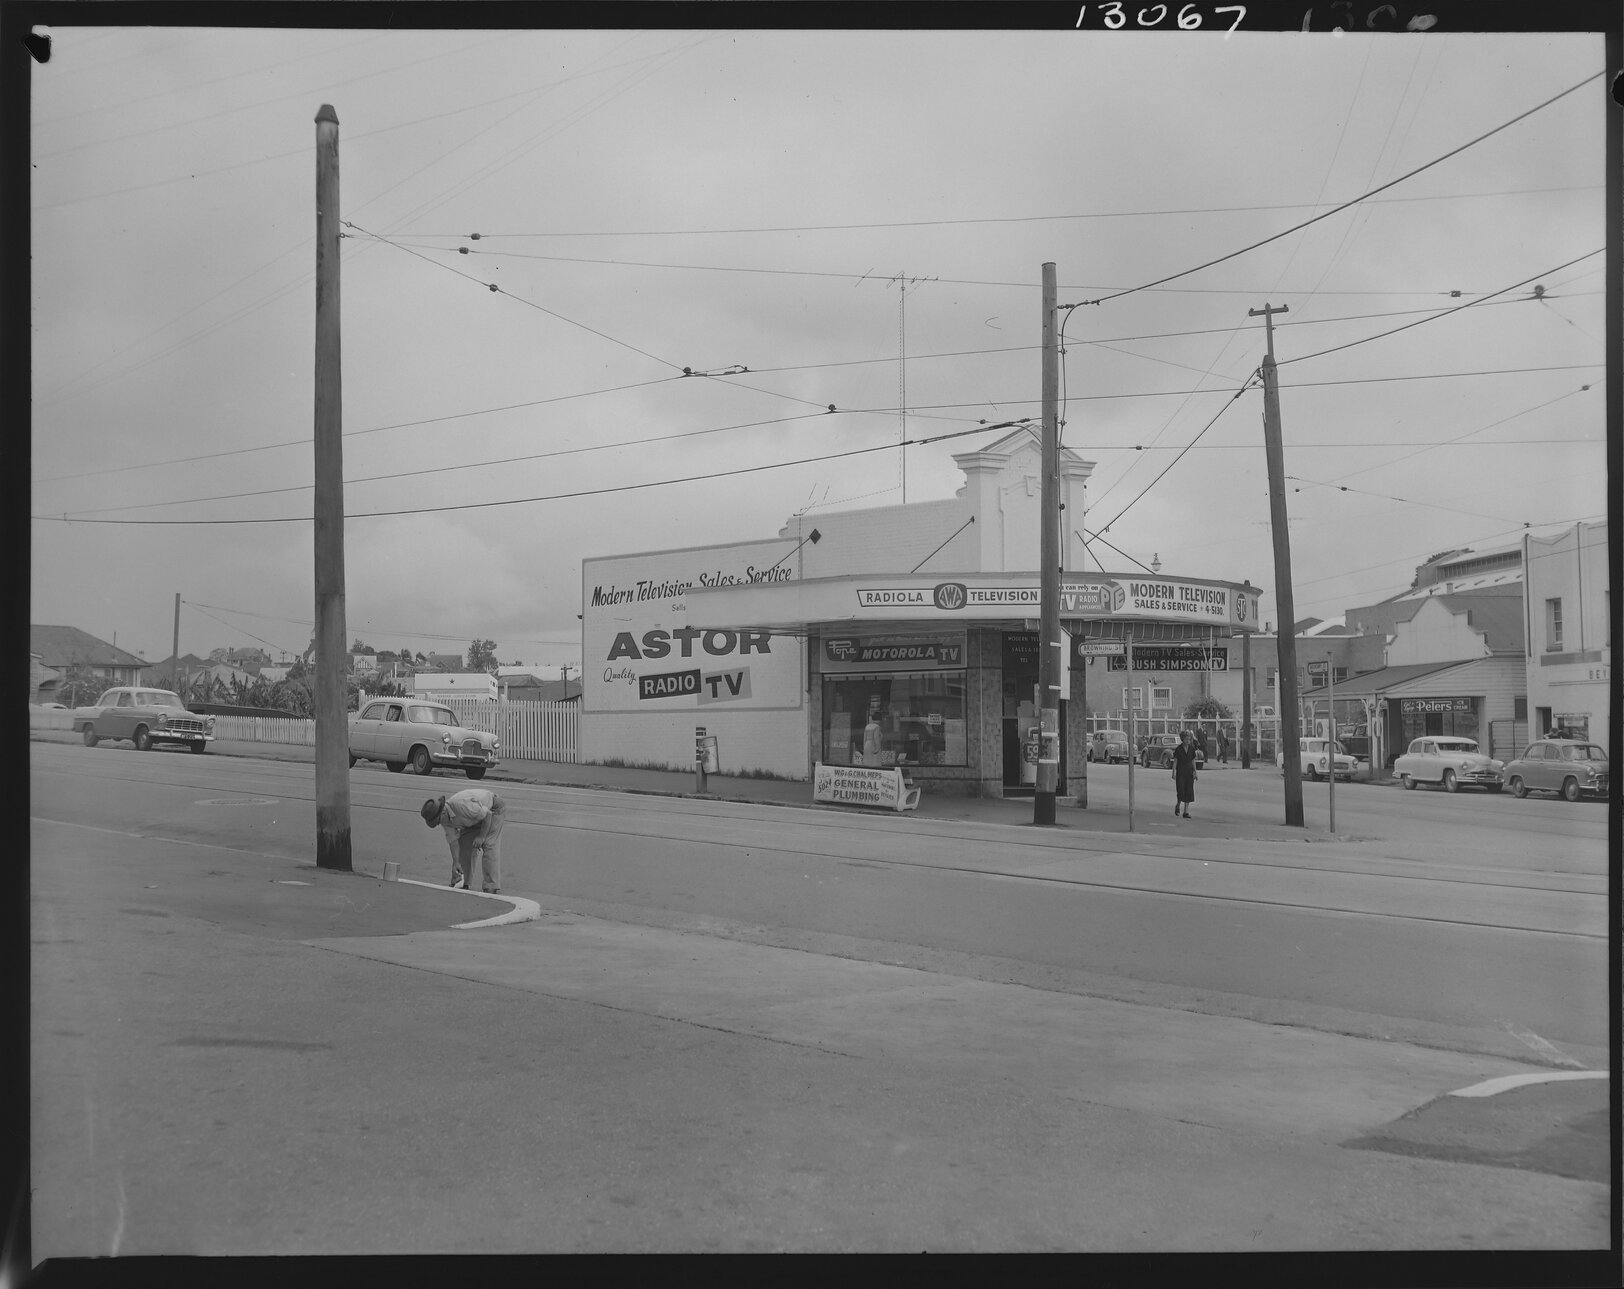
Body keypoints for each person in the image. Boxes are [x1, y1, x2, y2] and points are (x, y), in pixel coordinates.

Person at [421, 788, 507, 894]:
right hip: (474, 819)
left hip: (493, 809)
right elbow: (453, 841)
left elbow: (487, 815)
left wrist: (481, 837)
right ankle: (463, 882)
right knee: (464, 843)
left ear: (443, 813)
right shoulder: (445, 820)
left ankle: (491, 886)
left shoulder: (461, 805)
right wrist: (456, 863)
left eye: (437, 821)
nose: (439, 824)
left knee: (489, 844)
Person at [1170, 728, 1199, 818]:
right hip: (1181, 773)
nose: (1188, 741)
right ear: (1183, 739)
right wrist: (1173, 772)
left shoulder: (1192, 749)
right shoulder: (1178, 749)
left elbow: (1193, 761)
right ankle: (1178, 805)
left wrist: (1195, 772)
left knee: (1189, 791)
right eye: (1186, 739)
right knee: (1181, 791)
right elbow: (1175, 761)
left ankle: (1186, 812)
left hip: (1189, 772)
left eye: (1189, 739)